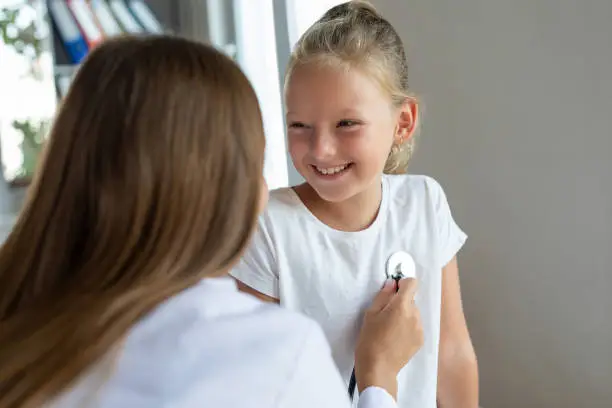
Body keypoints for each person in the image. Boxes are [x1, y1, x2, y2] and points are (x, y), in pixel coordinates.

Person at [0, 35, 424, 408]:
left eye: (346, 123)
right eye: (257, 164)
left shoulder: (22, 331)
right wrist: (379, 377)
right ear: (220, 189)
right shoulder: (272, 354)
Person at [230, 1, 479, 407]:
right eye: (299, 125)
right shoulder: (269, 228)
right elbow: (260, 387)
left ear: (403, 122)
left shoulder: (425, 203)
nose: (321, 149)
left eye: (346, 124)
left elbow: (451, 353)